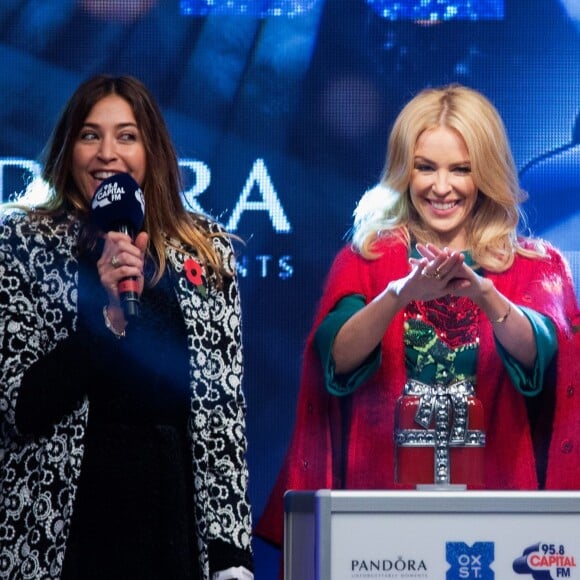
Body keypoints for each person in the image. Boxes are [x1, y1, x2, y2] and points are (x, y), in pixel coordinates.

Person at [255, 84, 580, 549]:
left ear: (484, 173)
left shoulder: (534, 264)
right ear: (405, 172)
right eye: (426, 167)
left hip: (501, 524)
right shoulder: (365, 259)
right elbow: (334, 362)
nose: (440, 187)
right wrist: (398, 295)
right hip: (380, 522)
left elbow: (545, 356)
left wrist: (486, 296)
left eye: (460, 170)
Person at [0, 75, 253, 580]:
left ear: (152, 148)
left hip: (172, 516)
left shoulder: (205, 250)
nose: (107, 154)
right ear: (68, 148)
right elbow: (19, 407)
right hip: (63, 524)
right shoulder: (22, 242)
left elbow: (222, 414)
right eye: (90, 135)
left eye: (126, 136)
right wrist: (108, 321)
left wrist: (232, 553)